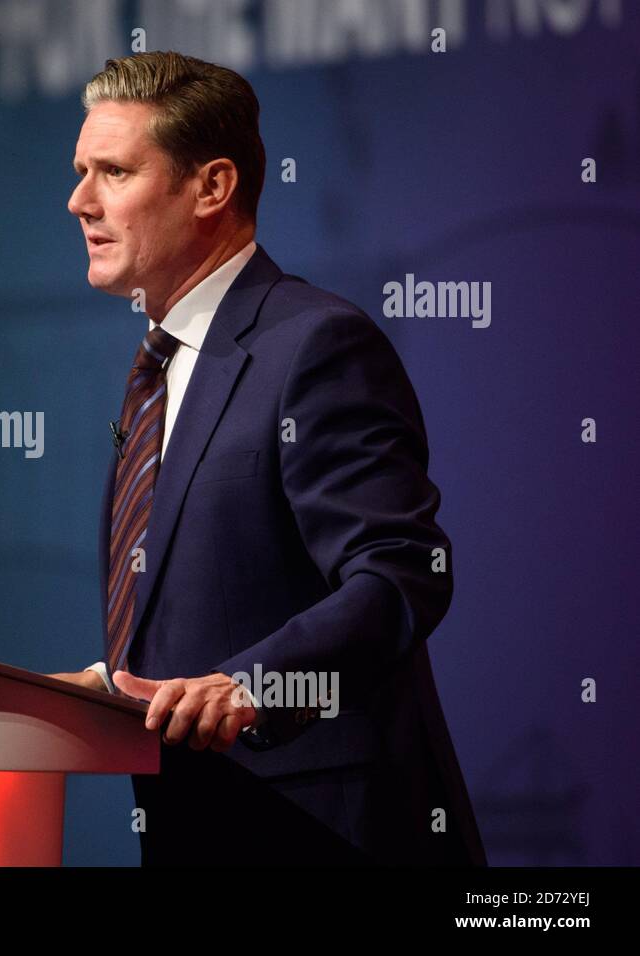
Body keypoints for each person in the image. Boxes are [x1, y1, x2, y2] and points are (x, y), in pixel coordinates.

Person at [47, 51, 485, 865]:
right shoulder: (160, 367)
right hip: (200, 826)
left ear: (211, 188)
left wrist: (254, 684)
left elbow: (400, 572)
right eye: (81, 172)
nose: (78, 201)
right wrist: (114, 688)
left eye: (113, 171)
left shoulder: (314, 344)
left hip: (324, 831)